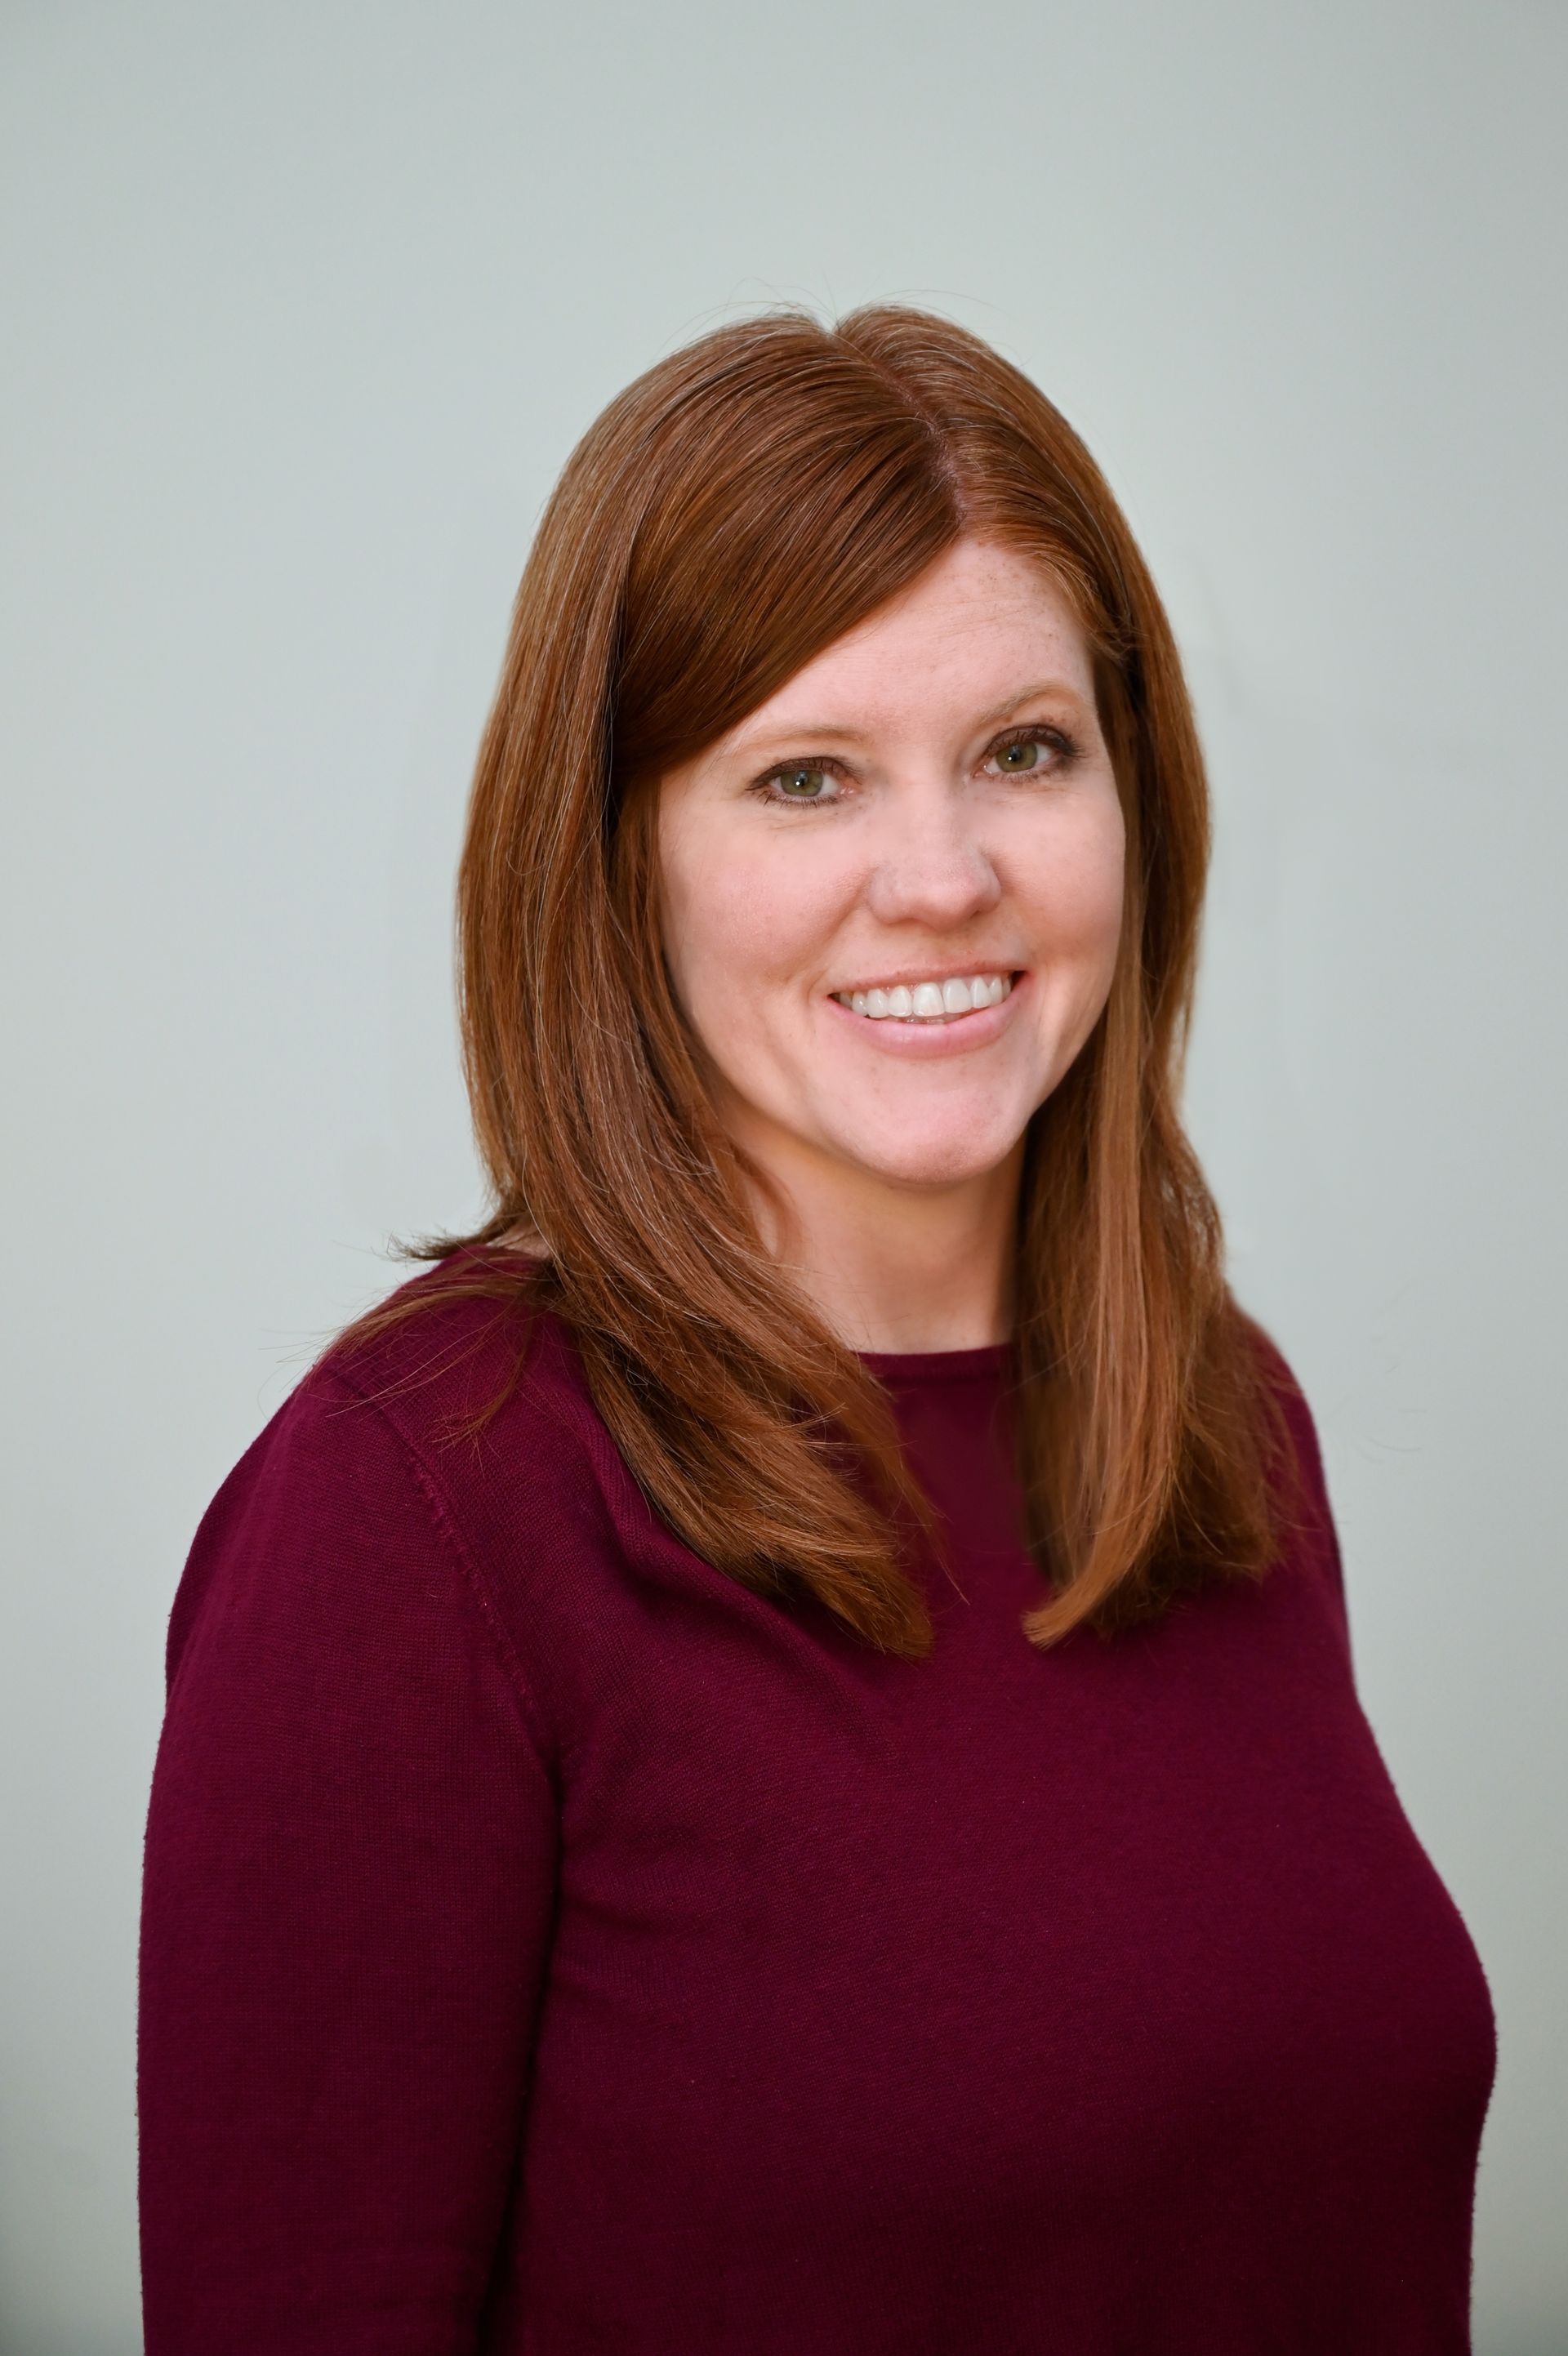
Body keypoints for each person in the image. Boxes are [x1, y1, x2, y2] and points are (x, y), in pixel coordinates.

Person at [136, 305, 1495, 2354]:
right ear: (623, 865)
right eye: (806, 777)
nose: (940, 878)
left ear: (1140, 803)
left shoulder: (1223, 1422)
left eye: (1025, 751)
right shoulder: (426, 1502)